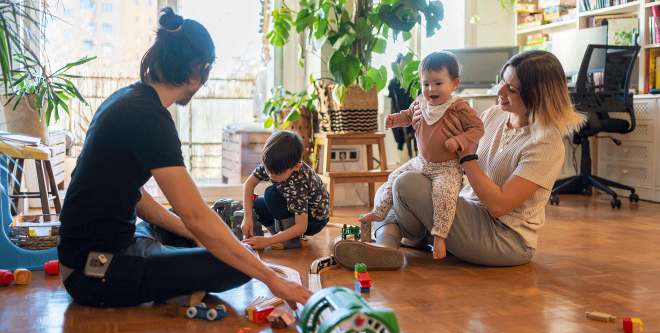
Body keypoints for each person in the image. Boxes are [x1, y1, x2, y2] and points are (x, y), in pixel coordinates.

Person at [57, 7, 312, 308]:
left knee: (194, 232)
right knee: (236, 262)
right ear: (198, 71)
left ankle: (169, 276)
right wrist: (273, 280)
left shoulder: (127, 100)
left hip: (90, 254)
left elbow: (135, 197)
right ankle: (168, 283)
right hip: (93, 270)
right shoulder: (150, 118)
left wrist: (196, 233)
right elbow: (195, 215)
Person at [338, 50, 586, 268]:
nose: (499, 91)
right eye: (501, 81)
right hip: (466, 212)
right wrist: (425, 128)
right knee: (394, 183)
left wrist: (466, 153)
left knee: (406, 184)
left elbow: (498, 206)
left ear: (537, 95)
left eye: (511, 89)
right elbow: (445, 160)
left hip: (504, 237)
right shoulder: (494, 115)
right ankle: (386, 249)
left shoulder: (545, 143)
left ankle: (392, 239)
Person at [359, 51, 484, 260]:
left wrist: (459, 140)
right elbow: (408, 116)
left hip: (447, 167)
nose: (431, 89)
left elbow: (478, 128)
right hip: (421, 162)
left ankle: (439, 237)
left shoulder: (458, 107)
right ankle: (380, 212)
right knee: (393, 178)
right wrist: (394, 120)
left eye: (437, 83)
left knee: (444, 197)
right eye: (426, 84)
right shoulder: (420, 102)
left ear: (454, 83)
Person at [241, 131, 330, 250]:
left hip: (313, 220)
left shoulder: (300, 183)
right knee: (256, 204)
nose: (271, 176)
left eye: (277, 174)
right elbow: (249, 184)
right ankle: (280, 235)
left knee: (271, 193)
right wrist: (247, 217)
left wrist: (268, 241)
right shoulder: (273, 163)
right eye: (268, 171)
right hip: (293, 207)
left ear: (296, 167)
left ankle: (291, 239)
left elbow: (301, 226)